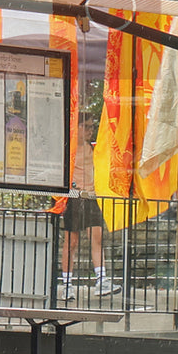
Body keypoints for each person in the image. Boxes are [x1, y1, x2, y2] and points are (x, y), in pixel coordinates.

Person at [59, 113, 115, 299]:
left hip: (91, 197)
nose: (91, 130)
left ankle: (101, 279)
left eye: (92, 127)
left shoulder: (93, 149)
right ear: (79, 127)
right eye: (87, 126)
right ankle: (67, 284)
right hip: (75, 197)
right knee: (71, 242)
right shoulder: (70, 148)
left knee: (96, 237)